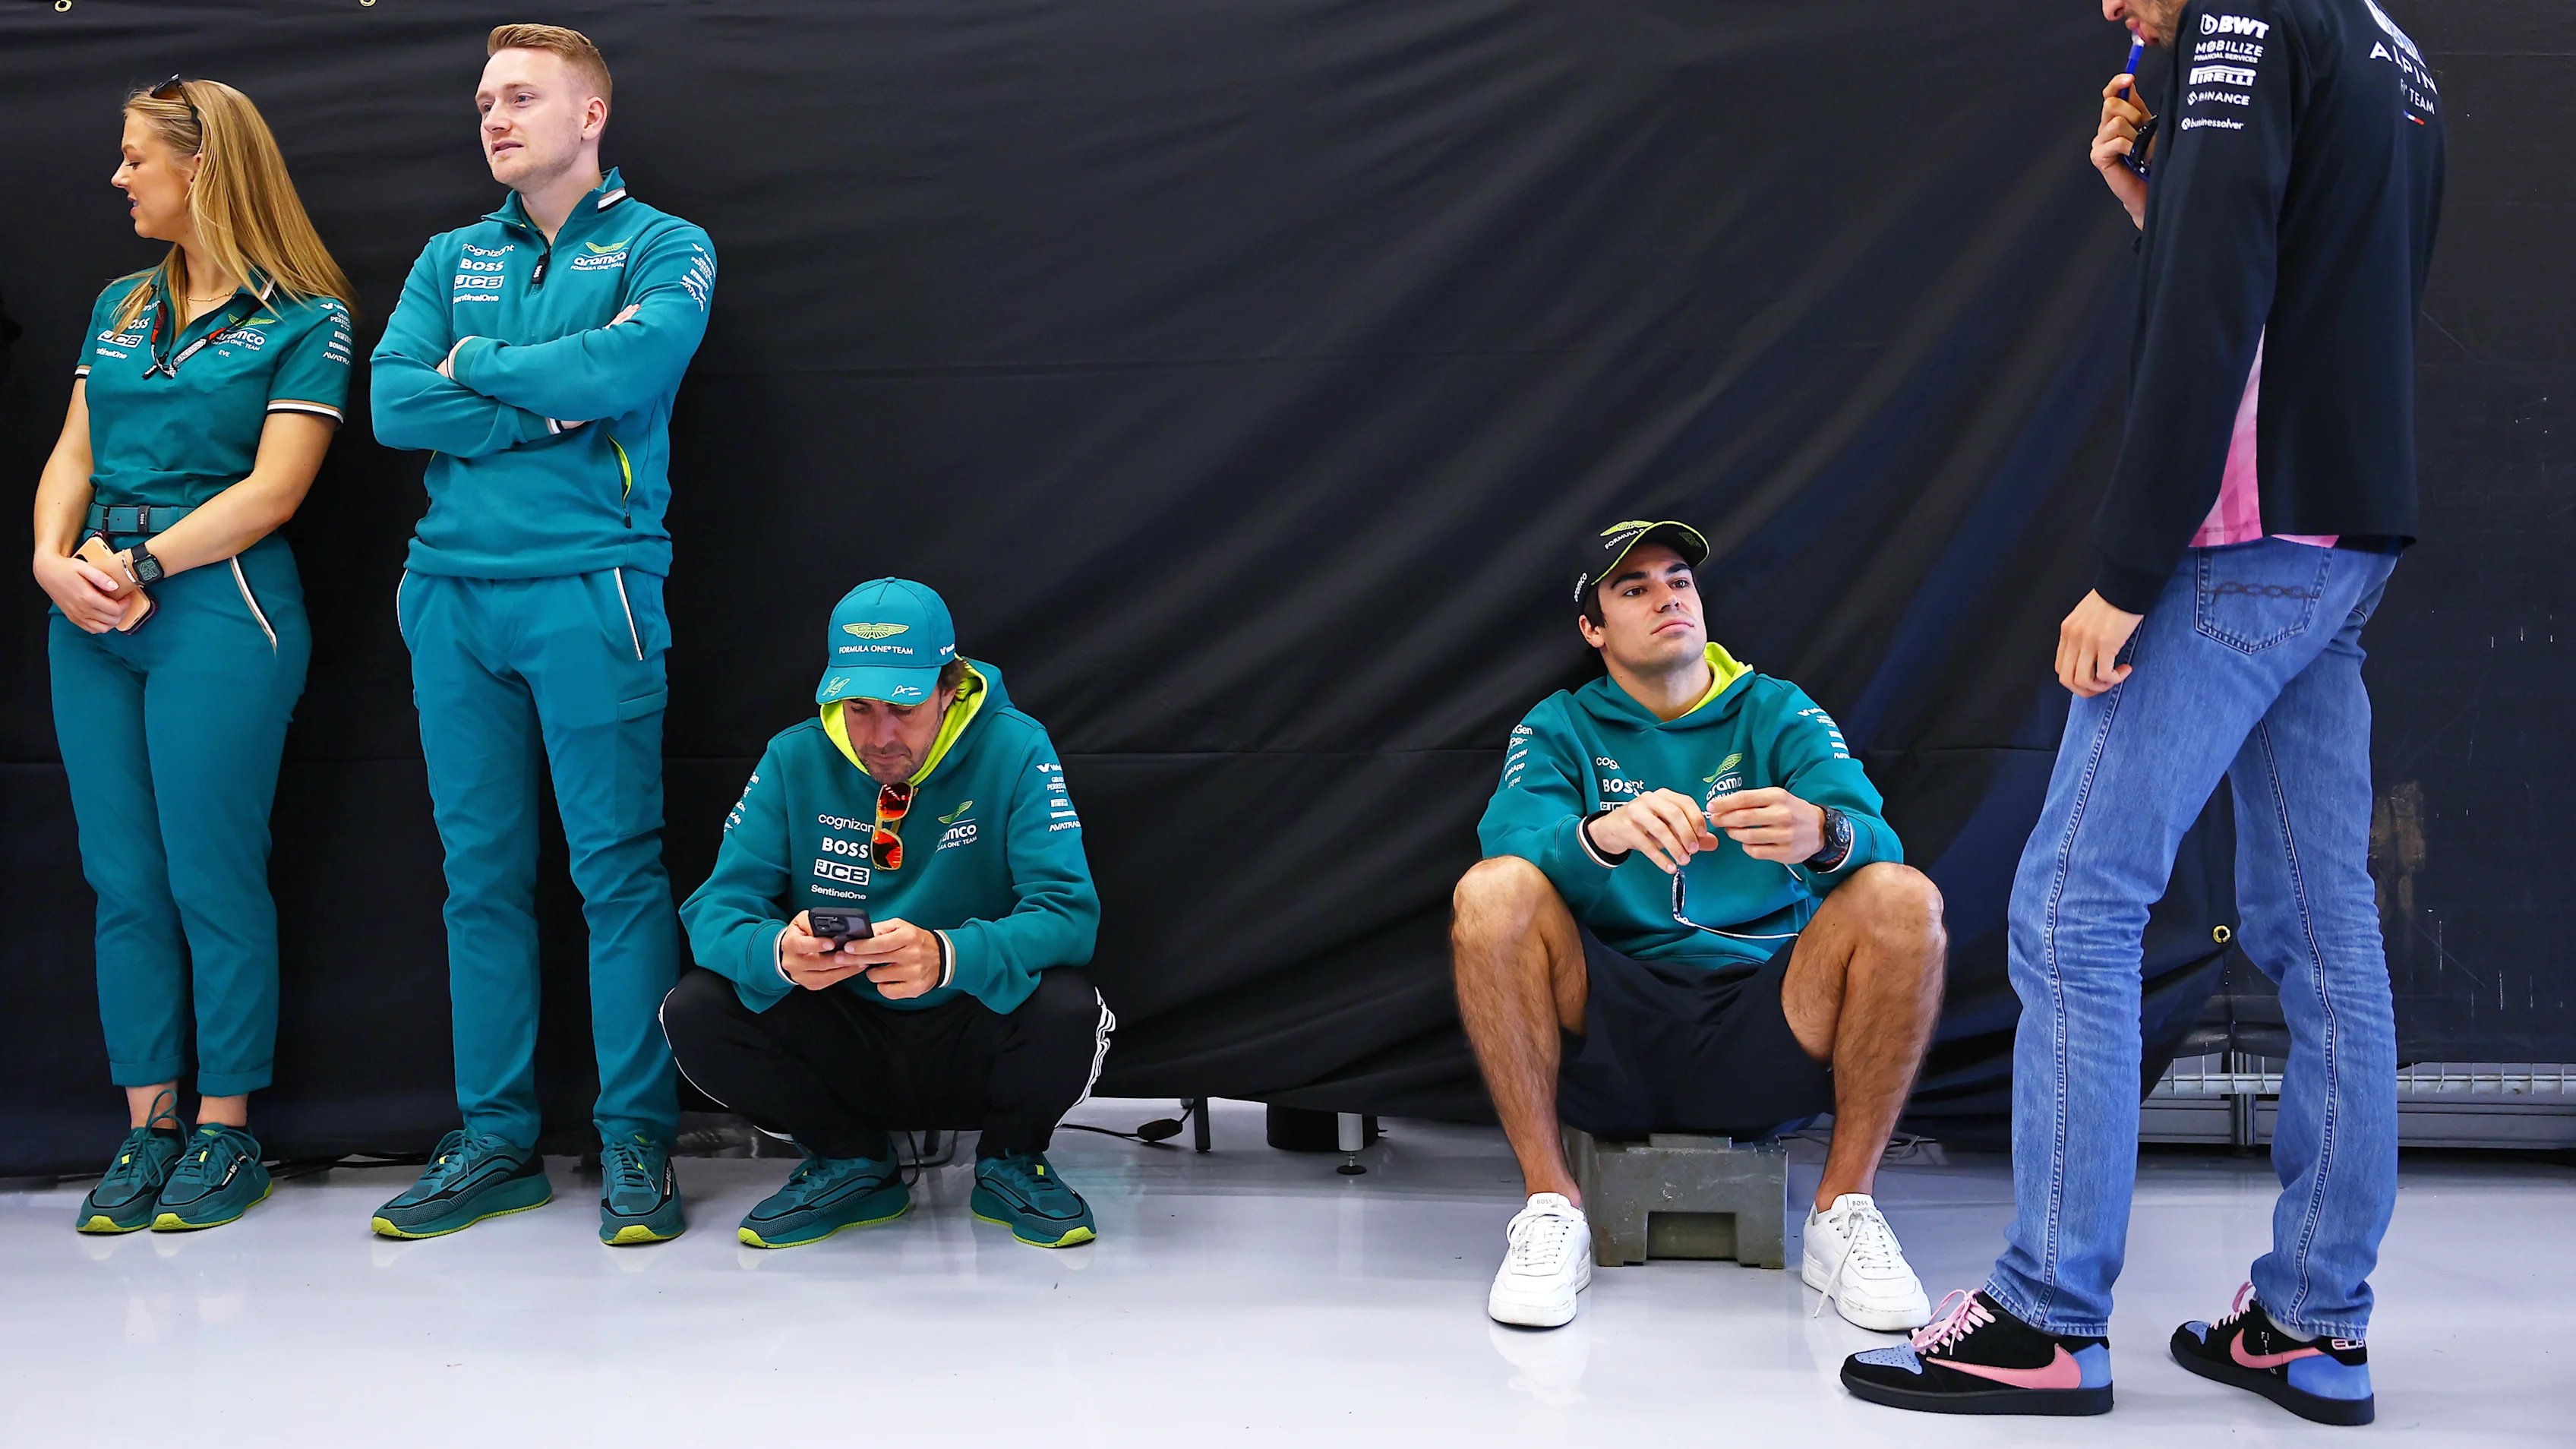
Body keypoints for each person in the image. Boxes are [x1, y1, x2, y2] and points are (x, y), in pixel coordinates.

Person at [1841, 0, 2442, 1425]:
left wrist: (2123, 573)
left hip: (2237, 544)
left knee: (2069, 901)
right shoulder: (2384, 38)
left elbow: (2225, 301)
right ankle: (2310, 1320)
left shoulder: (2233, 16)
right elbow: (2306, 286)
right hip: (2342, 540)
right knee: (2321, 927)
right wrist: (2153, 198)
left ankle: (2044, 1314)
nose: (2113, 9)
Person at [367, 24, 718, 1244]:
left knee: (616, 870)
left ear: (591, 115)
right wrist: (540, 397)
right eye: (482, 102)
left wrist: (490, 374)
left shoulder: (666, 246)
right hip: (450, 596)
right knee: (479, 880)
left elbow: (632, 368)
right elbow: (394, 400)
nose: (495, 118)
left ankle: (637, 1139)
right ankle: (496, 1139)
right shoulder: (448, 253)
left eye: (521, 96)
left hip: (593, 590)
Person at [1455, 520, 1948, 1331]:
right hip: (1612, 1019)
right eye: (1632, 588)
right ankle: (1550, 1207)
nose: (1666, 598)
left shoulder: (1778, 711)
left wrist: (1821, 833)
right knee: (1489, 893)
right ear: (1592, 628)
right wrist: (1599, 834)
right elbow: (1506, 843)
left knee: (1901, 896)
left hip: (1765, 1012)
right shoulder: (1557, 726)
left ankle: (1844, 1212)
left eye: (1678, 580)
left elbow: (1878, 840)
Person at [33, 78, 355, 1235]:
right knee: (122, 879)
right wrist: (46, 557)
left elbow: (274, 491)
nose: (119, 179)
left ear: (203, 167)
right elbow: (74, 450)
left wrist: (144, 566)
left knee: (209, 875)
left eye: (136, 159)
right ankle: (146, 1128)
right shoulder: (119, 300)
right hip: (91, 618)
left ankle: (224, 1133)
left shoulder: (306, 316)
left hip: (220, 613)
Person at [661, 578, 1111, 1249]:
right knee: (694, 1008)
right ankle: (850, 1161)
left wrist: (949, 955)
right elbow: (715, 908)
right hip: (842, 1024)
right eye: (858, 706)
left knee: (1069, 1008)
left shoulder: (1016, 747)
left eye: (903, 707)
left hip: (971, 1020)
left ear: (949, 688)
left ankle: (1012, 1160)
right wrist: (778, 951)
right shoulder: (793, 755)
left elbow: (1069, 915)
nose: (879, 735)